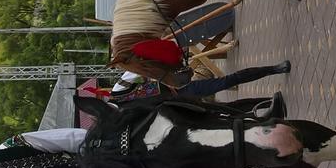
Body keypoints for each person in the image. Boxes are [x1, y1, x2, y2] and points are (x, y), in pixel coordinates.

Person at [97, 60, 292, 104]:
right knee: (226, 113)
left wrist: (165, 70)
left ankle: (274, 69)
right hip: (178, 112)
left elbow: (139, 68)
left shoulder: (118, 90)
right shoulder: (125, 122)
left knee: (226, 81)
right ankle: (268, 102)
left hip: (182, 88)